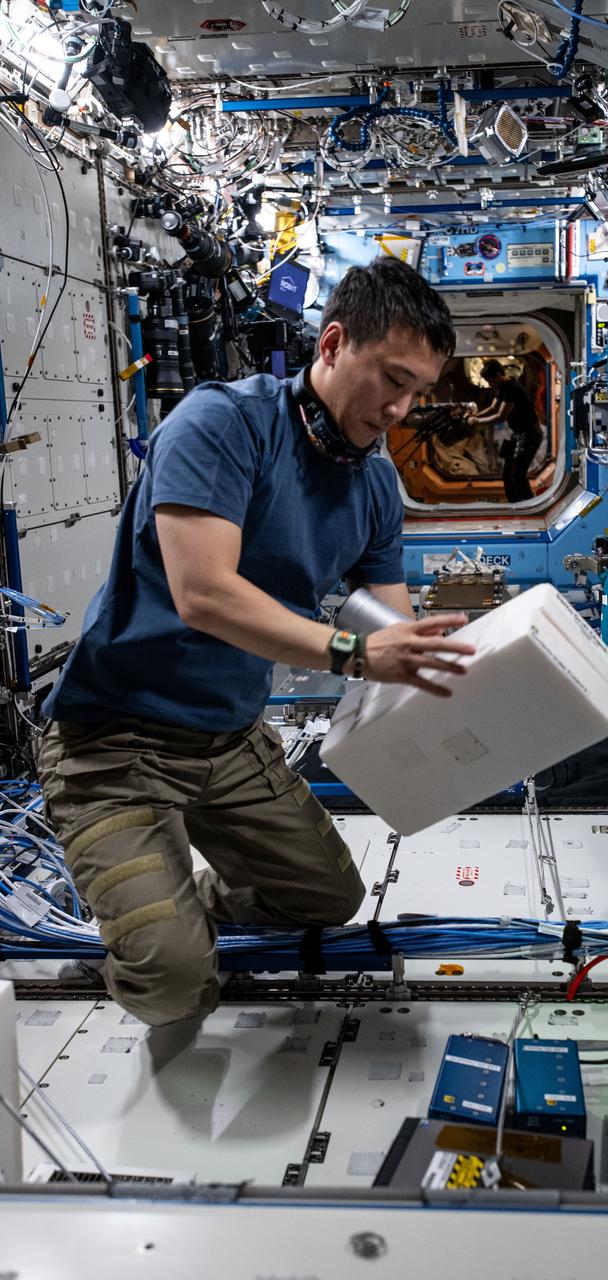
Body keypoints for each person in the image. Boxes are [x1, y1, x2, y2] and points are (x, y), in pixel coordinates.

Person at [37, 257, 475, 1030]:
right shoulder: (222, 424)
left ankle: (175, 915)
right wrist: (353, 654)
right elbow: (204, 594)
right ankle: (148, 942)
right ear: (332, 344)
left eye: (419, 392)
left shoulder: (374, 486)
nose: (401, 409)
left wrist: (447, 665)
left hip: (230, 738)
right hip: (113, 742)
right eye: (392, 380)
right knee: (174, 985)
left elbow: (389, 627)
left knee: (328, 899)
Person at [467, 359, 544, 502]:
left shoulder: (511, 388)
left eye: (490, 381)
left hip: (529, 435)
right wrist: (475, 416)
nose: (490, 385)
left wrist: (477, 421)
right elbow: (492, 408)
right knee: (507, 474)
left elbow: (500, 416)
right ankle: (514, 504)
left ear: (498, 376)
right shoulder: (502, 387)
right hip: (518, 434)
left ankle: (528, 505)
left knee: (518, 474)